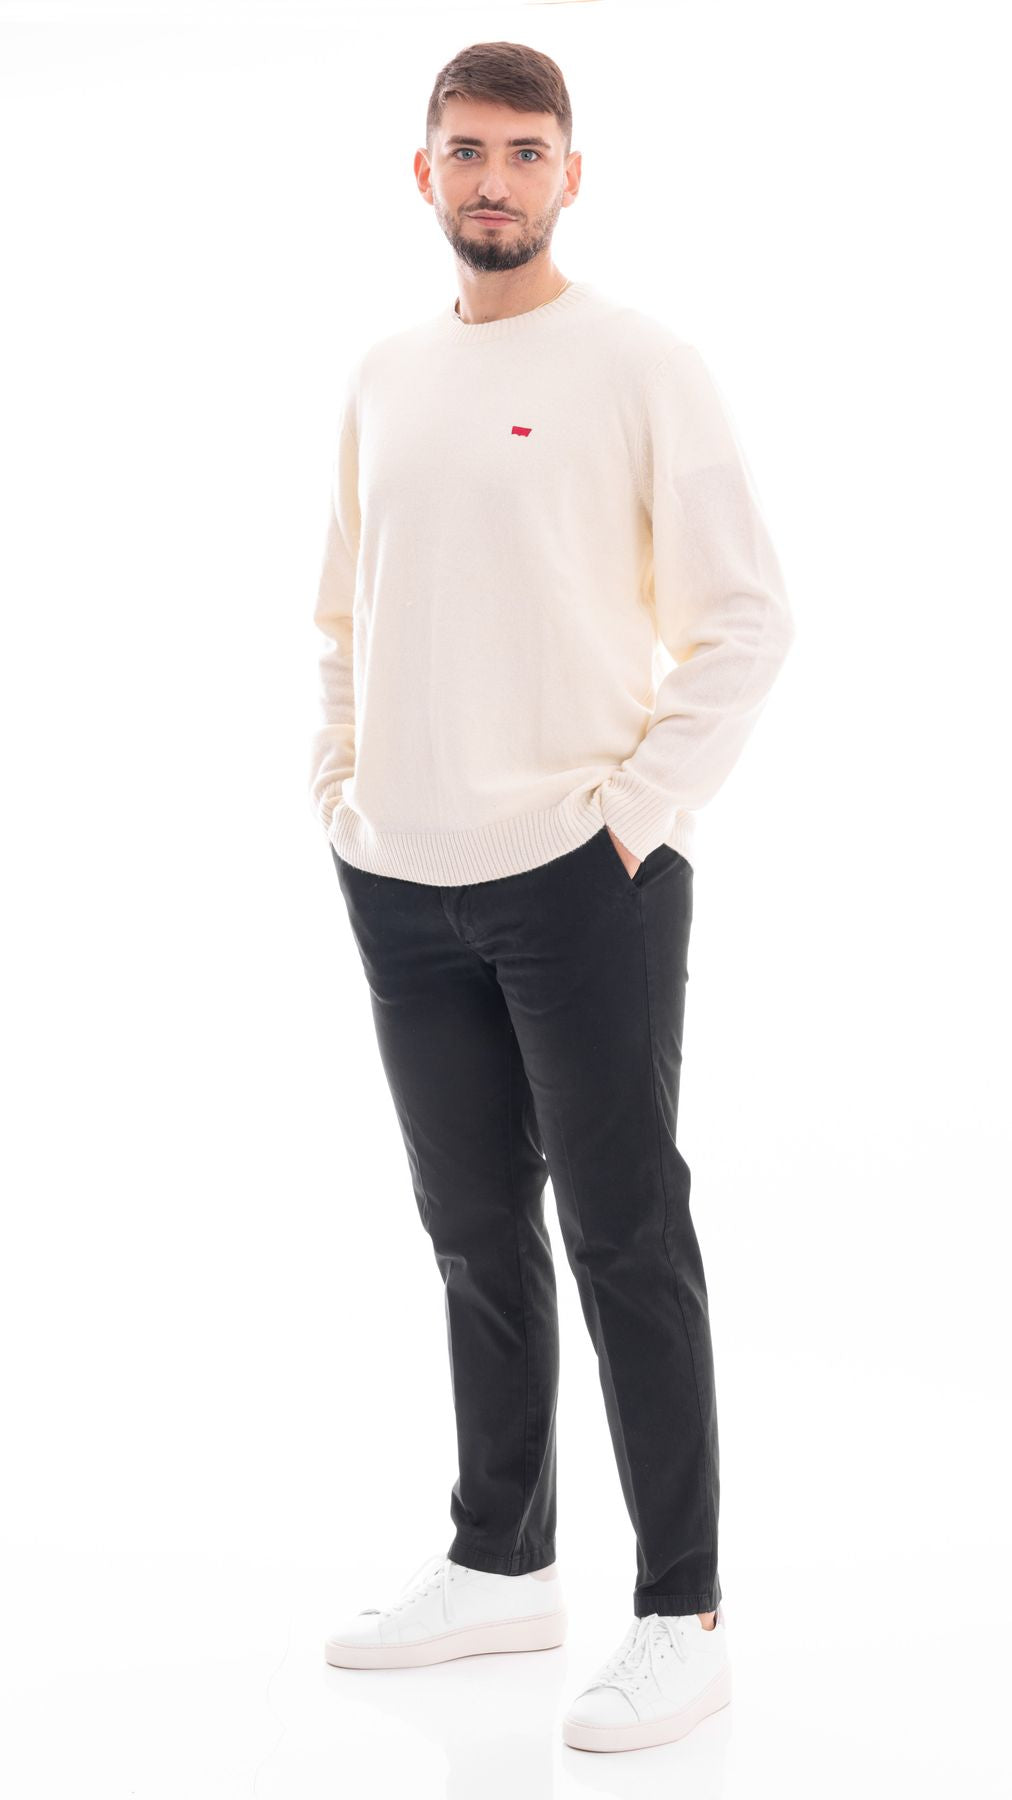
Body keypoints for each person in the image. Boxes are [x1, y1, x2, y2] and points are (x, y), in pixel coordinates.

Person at [310, 40, 795, 1754]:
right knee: (469, 1232)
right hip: (402, 877)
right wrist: (343, 796)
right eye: (466, 150)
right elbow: (343, 614)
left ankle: (684, 1614)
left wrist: (632, 823)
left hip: (583, 878)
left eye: (525, 151)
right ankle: (500, 1562)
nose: (494, 178)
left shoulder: (640, 364)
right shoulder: (384, 375)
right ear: (423, 172)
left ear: (570, 175)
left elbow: (747, 619)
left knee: (624, 1234)